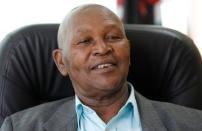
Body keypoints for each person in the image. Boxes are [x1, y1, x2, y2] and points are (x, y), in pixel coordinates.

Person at [1, 4, 202, 131]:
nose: (102, 48)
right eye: (85, 41)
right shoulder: (19, 127)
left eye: (113, 37)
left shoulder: (194, 124)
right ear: (61, 61)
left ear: (128, 52)